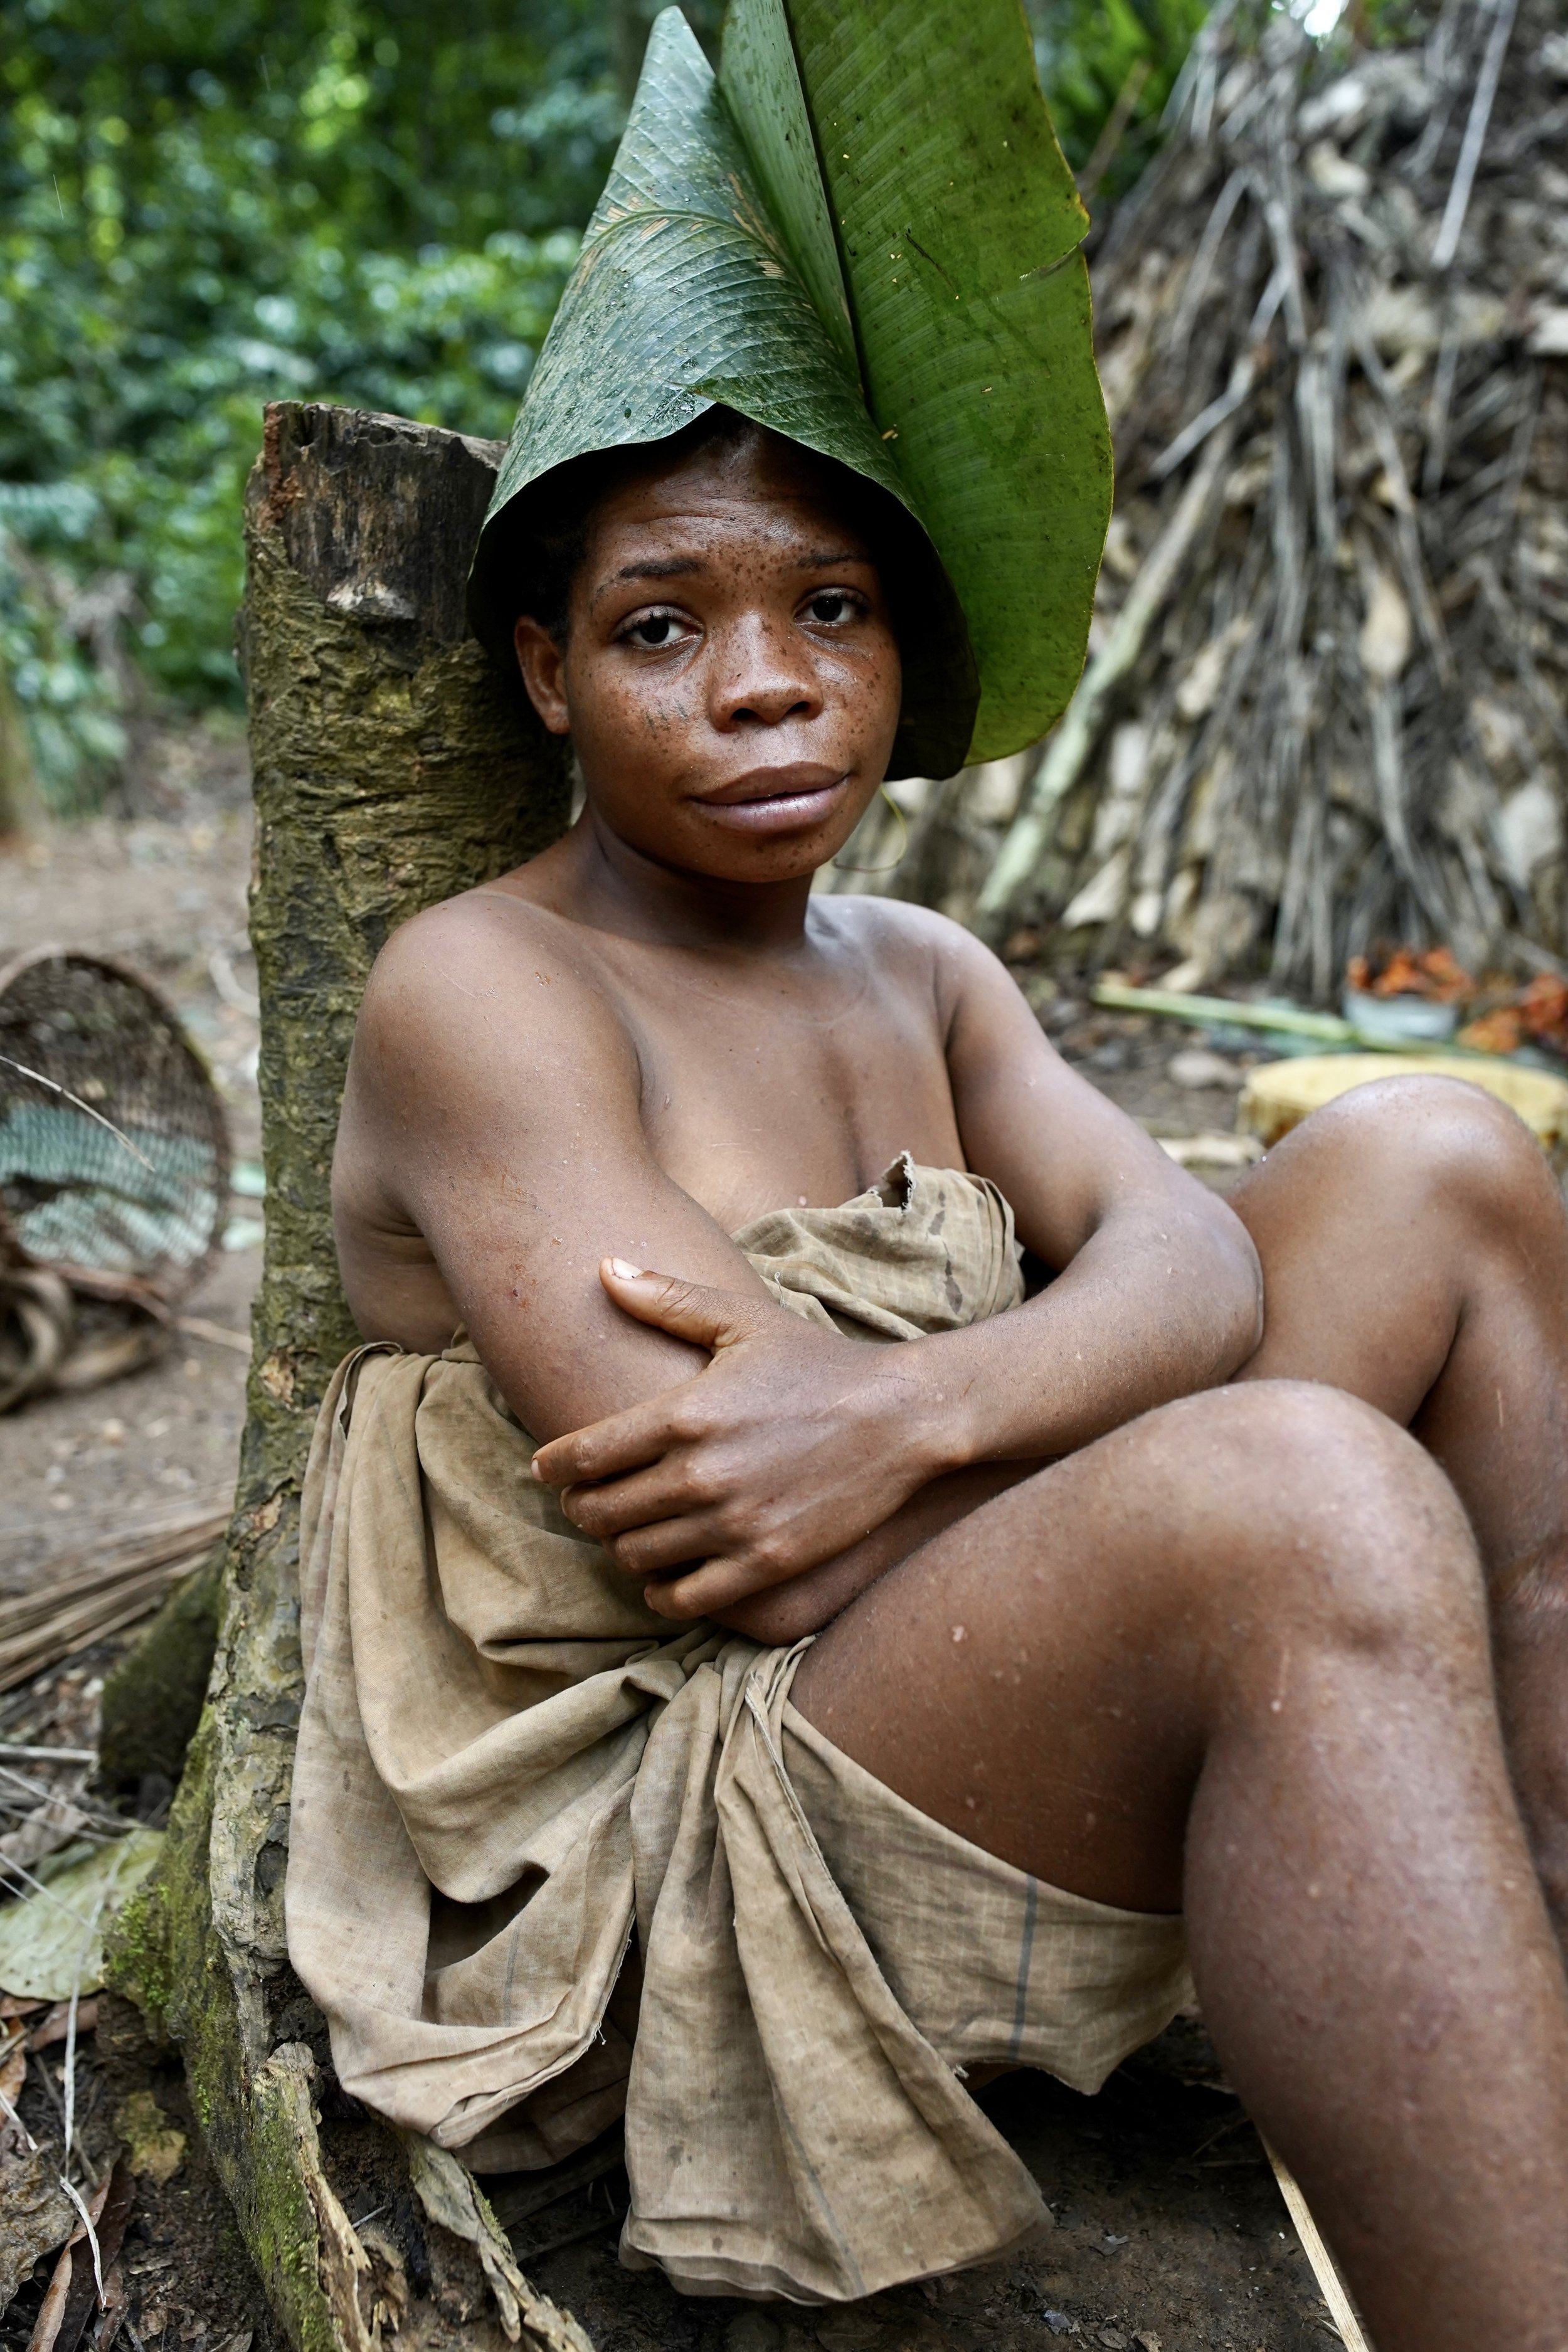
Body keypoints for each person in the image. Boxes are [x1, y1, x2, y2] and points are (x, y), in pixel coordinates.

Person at [285, 12, 1568, 2348]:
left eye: (830, 612)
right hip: (708, 1798)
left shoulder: (924, 965)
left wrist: (911, 1402)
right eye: (663, 626)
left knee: (1441, 1161)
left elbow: (1179, 1244)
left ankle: (1507, 1955)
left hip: (945, 1577)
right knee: (1302, 1492)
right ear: (545, 673)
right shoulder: (493, 996)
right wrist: (1075, 1405)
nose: (765, 686)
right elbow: (751, 1549)